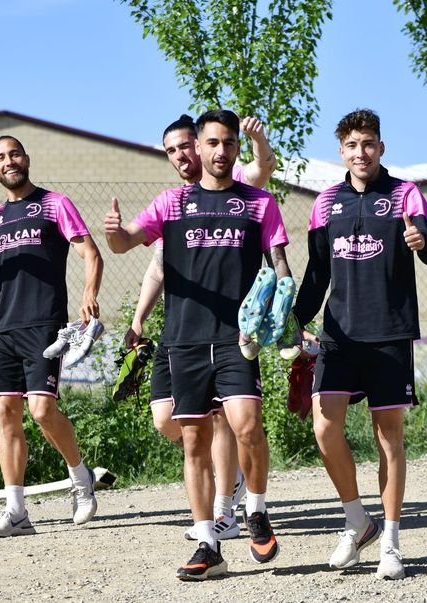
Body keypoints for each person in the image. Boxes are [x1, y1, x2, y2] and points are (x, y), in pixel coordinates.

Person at [105, 109, 291, 581]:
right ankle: (208, 544)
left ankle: (256, 509)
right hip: (184, 341)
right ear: (199, 147)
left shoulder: (257, 203)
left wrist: (284, 317)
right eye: (212, 142)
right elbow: (126, 244)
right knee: (192, 441)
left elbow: (281, 268)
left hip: (236, 339)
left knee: (247, 427)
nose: (220, 151)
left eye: (228, 142)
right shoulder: (171, 203)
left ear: (235, 148)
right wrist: (115, 234)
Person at [292, 108, 427, 580]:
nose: (361, 152)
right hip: (338, 336)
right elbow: (317, 273)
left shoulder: (405, 194)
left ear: (381, 147)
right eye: (352, 145)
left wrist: (424, 241)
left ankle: (392, 544)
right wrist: (294, 322)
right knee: (324, 428)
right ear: (341, 151)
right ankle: (358, 522)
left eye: (368, 144)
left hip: (389, 333)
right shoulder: (325, 203)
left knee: (388, 437)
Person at [0, 135, 104, 537]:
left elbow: (91, 253)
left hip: (45, 326)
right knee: (5, 413)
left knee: (41, 411)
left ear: (26, 159)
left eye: (14, 154)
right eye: (0, 157)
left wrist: (89, 293)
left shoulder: (54, 204)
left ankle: (80, 478)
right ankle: (17, 511)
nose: (9, 161)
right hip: (4, 328)